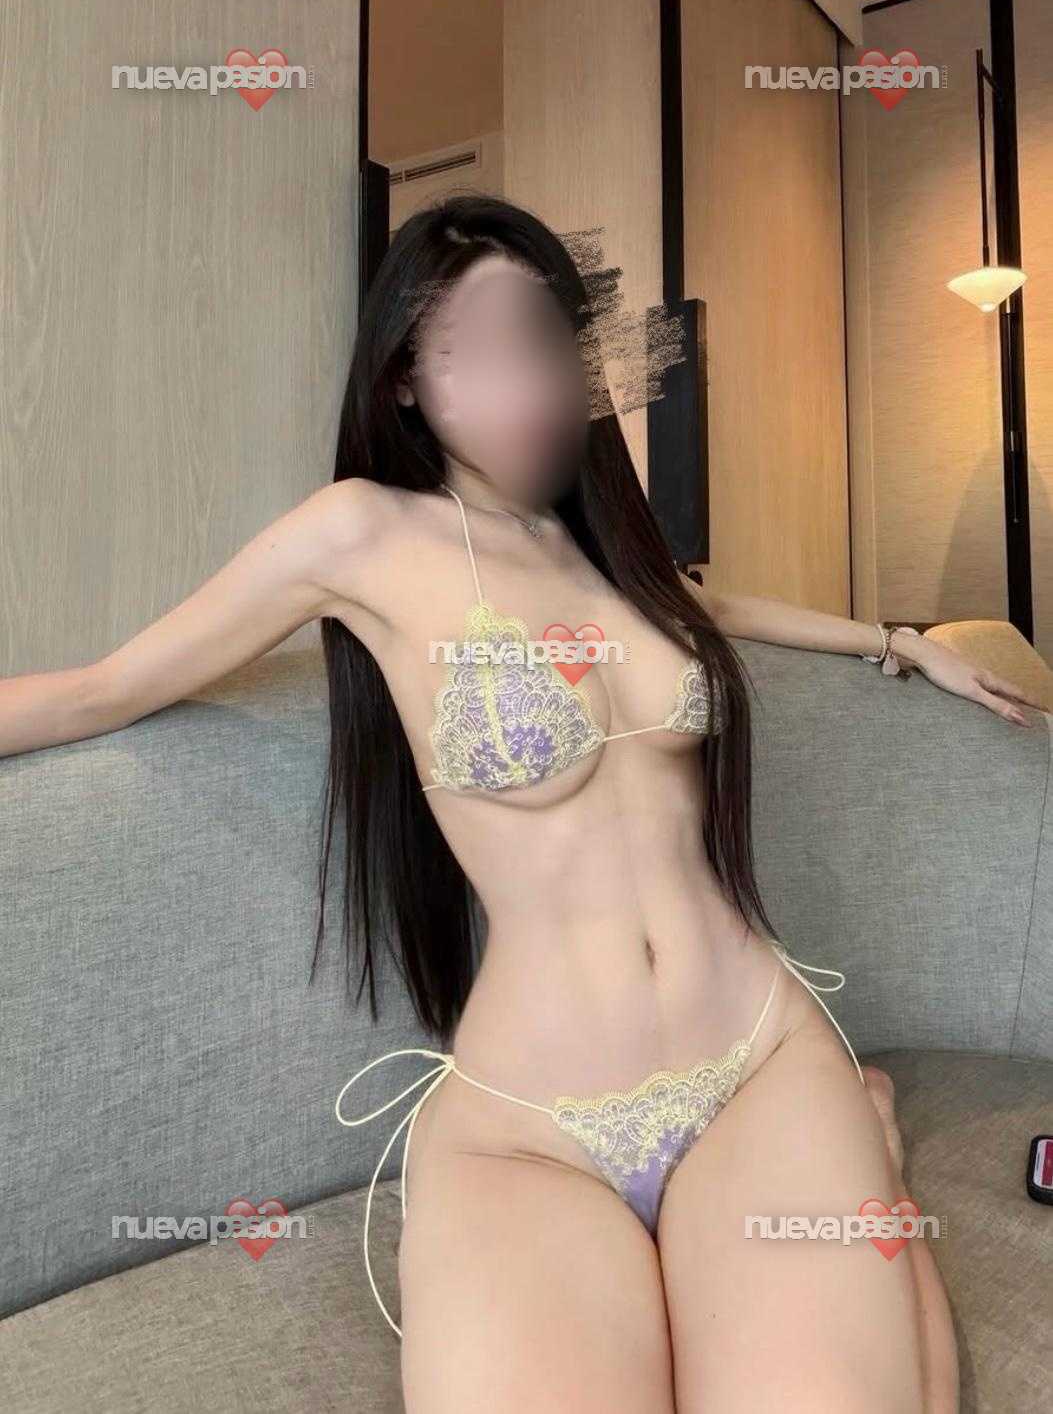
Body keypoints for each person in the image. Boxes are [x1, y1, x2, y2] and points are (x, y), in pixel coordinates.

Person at [13, 193, 1040, 1412]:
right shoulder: (359, 536)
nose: (526, 387)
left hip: (756, 1058)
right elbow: (102, 689)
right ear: (404, 378)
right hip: (532, 1126)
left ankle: (859, 1135)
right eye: (478, 353)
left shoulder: (602, 541)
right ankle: (870, 1148)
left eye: (544, 345)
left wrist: (896, 641)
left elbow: (712, 608)